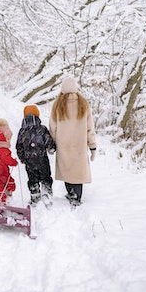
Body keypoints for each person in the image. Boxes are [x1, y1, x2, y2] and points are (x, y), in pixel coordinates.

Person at [49, 76, 97, 207]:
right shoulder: (83, 104)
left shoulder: (58, 104)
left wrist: (52, 142)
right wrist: (92, 145)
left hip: (63, 144)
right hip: (79, 145)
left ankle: (70, 193)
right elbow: (89, 127)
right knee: (77, 171)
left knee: (67, 170)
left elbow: (53, 126)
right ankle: (77, 196)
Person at [15, 105, 56, 206]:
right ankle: (47, 193)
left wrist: (22, 158)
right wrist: (52, 148)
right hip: (42, 159)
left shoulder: (22, 131)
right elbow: (48, 141)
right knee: (45, 176)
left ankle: (35, 195)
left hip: (29, 161)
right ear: (37, 115)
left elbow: (19, 146)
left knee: (32, 179)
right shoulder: (42, 129)